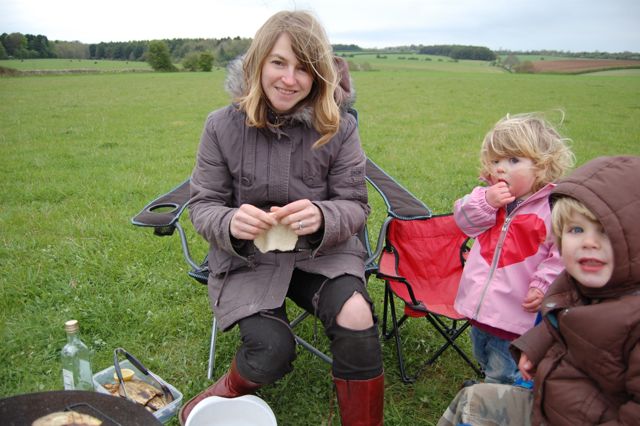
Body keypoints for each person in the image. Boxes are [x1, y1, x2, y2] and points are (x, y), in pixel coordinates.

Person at [179, 10, 384, 426]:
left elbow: (356, 205)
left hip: (320, 256)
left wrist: (323, 216)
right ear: (258, 63)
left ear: (318, 76)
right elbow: (203, 204)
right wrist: (230, 223)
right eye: (279, 63)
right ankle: (221, 395)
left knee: (357, 315)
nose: (290, 79)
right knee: (271, 350)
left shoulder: (339, 127)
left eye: (304, 69)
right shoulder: (220, 126)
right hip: (249, 261)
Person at [438, 155, 640, 425]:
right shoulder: (578, 286)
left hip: (576, 415)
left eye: (604, 232)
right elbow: (556, 321)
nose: (588, 242)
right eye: (576, 230)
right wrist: (533, 347)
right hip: (550, 400)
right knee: (469, 399)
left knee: (493, 380)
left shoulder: (631, 318)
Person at [453, 113, 574, 384]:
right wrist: (487, 202)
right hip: (479, 308)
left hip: (516, 314)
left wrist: (543, 285)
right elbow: (464, 221)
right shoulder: (486, 197)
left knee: (504, 369)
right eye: (495, 161)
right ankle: (490, 382)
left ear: (542, 166)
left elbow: (562, 254)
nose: (500, 168)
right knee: (482, 353)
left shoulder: (552, 209)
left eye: (513, 160)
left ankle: (499, 400)